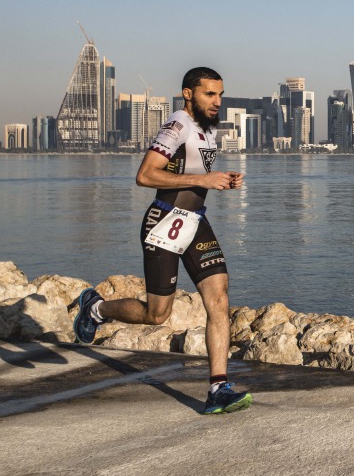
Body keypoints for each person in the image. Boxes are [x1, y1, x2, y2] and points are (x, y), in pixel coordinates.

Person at [73, 67, 253, 415]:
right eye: (209, 95)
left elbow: (195, 177)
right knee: (157, 315)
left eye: (220, 95)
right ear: (188, 94)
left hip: (196, 224)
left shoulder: (205, 130)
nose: (217, 102)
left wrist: (220, 180)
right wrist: (206, 180)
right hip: (165, 223)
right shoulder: (177, 125)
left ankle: (218, 387)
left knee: (218, 300)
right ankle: (95, 308)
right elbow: (145, 175)